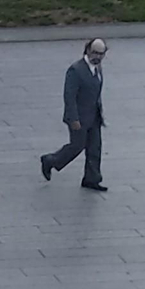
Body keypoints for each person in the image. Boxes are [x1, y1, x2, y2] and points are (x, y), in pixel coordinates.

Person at [41, 38, 108, 191]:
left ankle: (92, 179)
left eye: (101, 54)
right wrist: (73, 118)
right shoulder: (76, 70)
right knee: (76, 146)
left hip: (94, 117)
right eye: (95, 52)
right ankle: (50, 160)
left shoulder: (98, 68)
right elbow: (69, 96)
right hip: (79, 117)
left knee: (94, 148)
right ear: (87, 50)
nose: (97, 56)